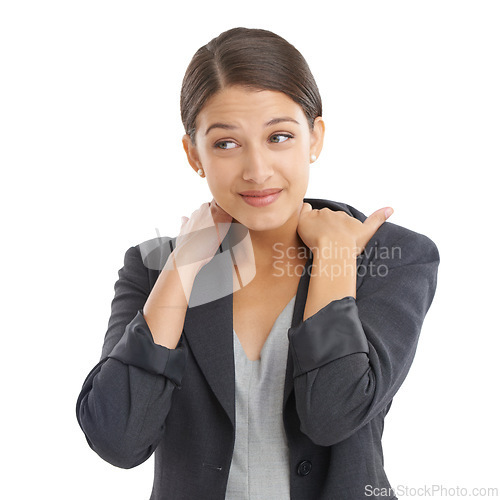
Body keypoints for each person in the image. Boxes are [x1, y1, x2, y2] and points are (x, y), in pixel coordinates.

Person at [76, 27, 440, 500]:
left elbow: (333, 413)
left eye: (280, 136)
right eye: (227, 143)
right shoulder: (153, 270)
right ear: (194, 154)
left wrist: (333, 260)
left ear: (315, 137)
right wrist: (183, 269)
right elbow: (118, 438)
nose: (257, 169)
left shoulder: (389, 258)